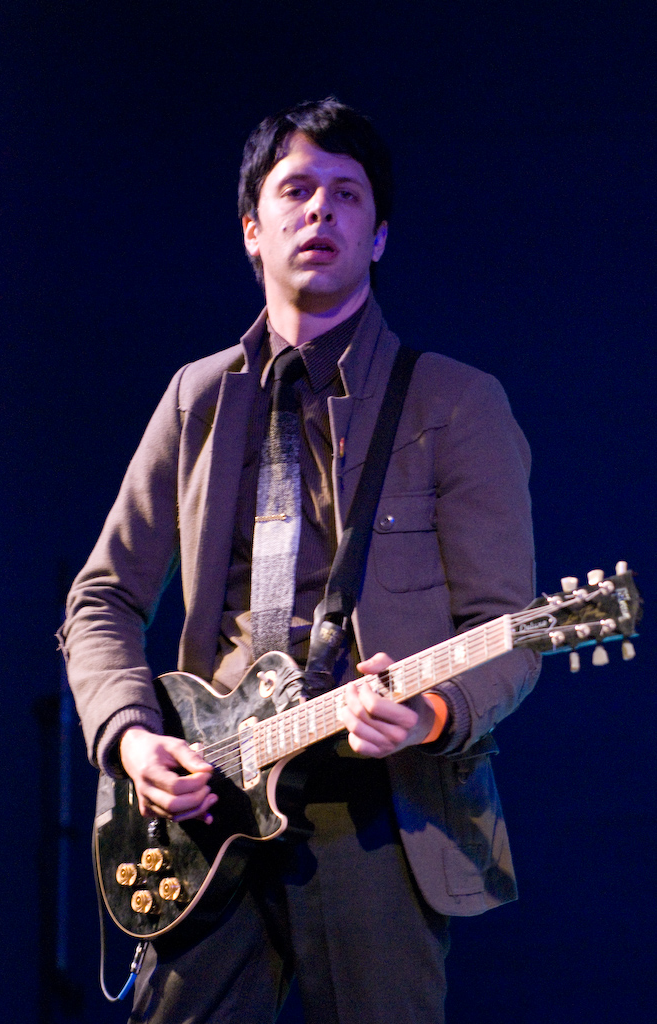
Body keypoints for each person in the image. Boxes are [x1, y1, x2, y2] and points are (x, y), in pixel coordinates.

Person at [59, 98, 541, 1024]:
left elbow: (508, 632)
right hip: (208, 804)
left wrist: (432, 712)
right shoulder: (196, 398)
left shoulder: (455, 404)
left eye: (347, 194)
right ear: (252, 229)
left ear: (380, 234)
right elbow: (103, 595)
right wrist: (129, 735)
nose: (321, 209)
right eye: (296, 189)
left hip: (378, 812)